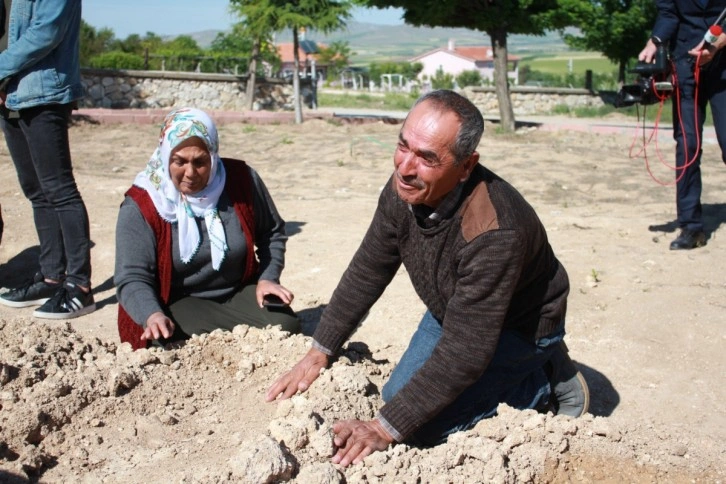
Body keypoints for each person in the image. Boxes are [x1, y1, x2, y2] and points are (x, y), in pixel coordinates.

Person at [266, 90, 589, 467]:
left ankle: (543, 379)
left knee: (420, 430)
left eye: (426, 158)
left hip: (520, 327)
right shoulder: (404, 189)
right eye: (403, 146)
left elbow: (466, 352)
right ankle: (527, 371)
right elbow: (369, 268)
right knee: (397, 395)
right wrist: (321, 348)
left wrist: (384, 429)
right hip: (456, 312)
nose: (405, 167)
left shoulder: (494, 231)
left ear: (467, 166)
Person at [114, 107, 299, 350]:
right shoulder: (143, 204)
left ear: (213, 156)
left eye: (200, 162)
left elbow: (272, 233)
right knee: (163, 340)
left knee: (285, 325)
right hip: (175, 301)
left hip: (235, 292)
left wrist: (267, 278)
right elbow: (132, 277)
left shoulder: (241, 180)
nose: (190, 173)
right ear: (165, 155)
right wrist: (152, 315)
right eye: (179, 161)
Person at [0, 0, 96, 318]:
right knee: (35, 190)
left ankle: (80, 287)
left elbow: (47, 32)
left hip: (42, 93)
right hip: (11, 95)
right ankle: (51, 277)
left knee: (59, 189)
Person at [638, 0, 726, 250]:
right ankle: (691, 227)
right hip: (685, 64)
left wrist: (720, 43)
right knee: (687, 146)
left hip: (724, 67)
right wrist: (655, 40)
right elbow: (668, 14)